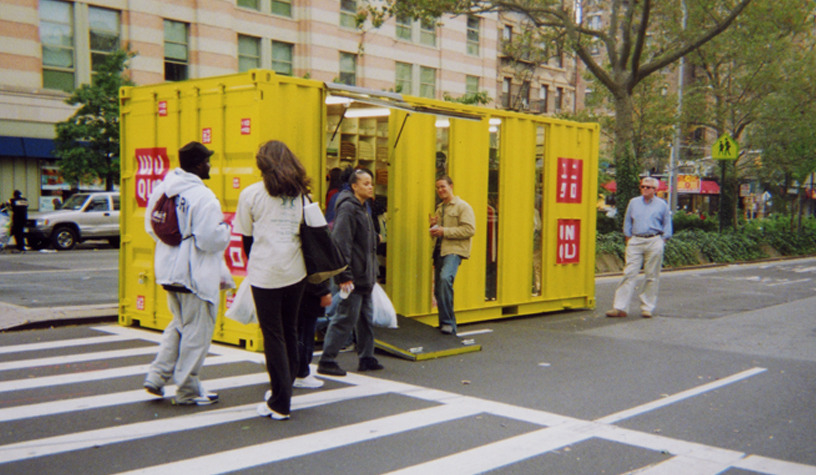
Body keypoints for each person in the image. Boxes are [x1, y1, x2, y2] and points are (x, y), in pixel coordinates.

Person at [143, 141, 233, 406]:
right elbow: (208, 239)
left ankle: (157, 376)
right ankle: (187, 390)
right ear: (197, 165)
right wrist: (225, 231)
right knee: (197, 333)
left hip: (168, 270)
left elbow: (153, 227)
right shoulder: (203, 196)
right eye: (207, 162)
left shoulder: (163, 188)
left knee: (179, 325)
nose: (210, 166)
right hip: (196, 274)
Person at [233, 140, 311, 421]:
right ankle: (284, 389)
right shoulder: (302, 195)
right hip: (297, 271)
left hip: (265, 272)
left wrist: (256, 264)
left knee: (273, 335)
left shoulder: (251, 194)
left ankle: (279, 403)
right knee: (289, 330)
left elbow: (246, 238)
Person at [317, 168, 383, 376]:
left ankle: (366, 357)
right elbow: (340, 242)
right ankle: (327, 360)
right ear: (354, 186)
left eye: (371, 183)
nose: (370, 187)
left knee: (365, 318)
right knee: (345, 318)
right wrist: (343, 275)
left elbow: (362, 240)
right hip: (353, 276)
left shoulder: (362, 207)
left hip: (365, 276)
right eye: (365, 183)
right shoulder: (348, 208)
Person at [605, 176, 673, 319]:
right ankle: (620, 307)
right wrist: (628, 237)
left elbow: (667, 223)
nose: (644, 189)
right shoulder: (634, 202)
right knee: (629, 273)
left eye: (648, 187)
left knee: (651, 275)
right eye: (643, 186)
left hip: (654, 239)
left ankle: (647, 307)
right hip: (636, 240)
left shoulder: (662, 204)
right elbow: (628, 221)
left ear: (655, 189)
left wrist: (663, 240)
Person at [430, 176, 476, 335]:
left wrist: (444, 231)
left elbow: (470, 230)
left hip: (455, 250)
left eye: (443, 187)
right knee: (439, 288)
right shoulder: (440, 208)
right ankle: (445, 323)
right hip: (440, 249)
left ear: (451, 186)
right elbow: (438, 232)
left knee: (444, 279)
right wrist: (433, 227)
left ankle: (448, 323)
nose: (440, 190)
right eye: (438, 188)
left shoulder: (463, 207)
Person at [296, 281, 332, 388]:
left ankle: (280, 368)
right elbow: (312, 271)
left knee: (296, 333)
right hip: (306, 296)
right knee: (304, 334)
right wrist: (323, 291)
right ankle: (301, 373)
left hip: (288, 291)